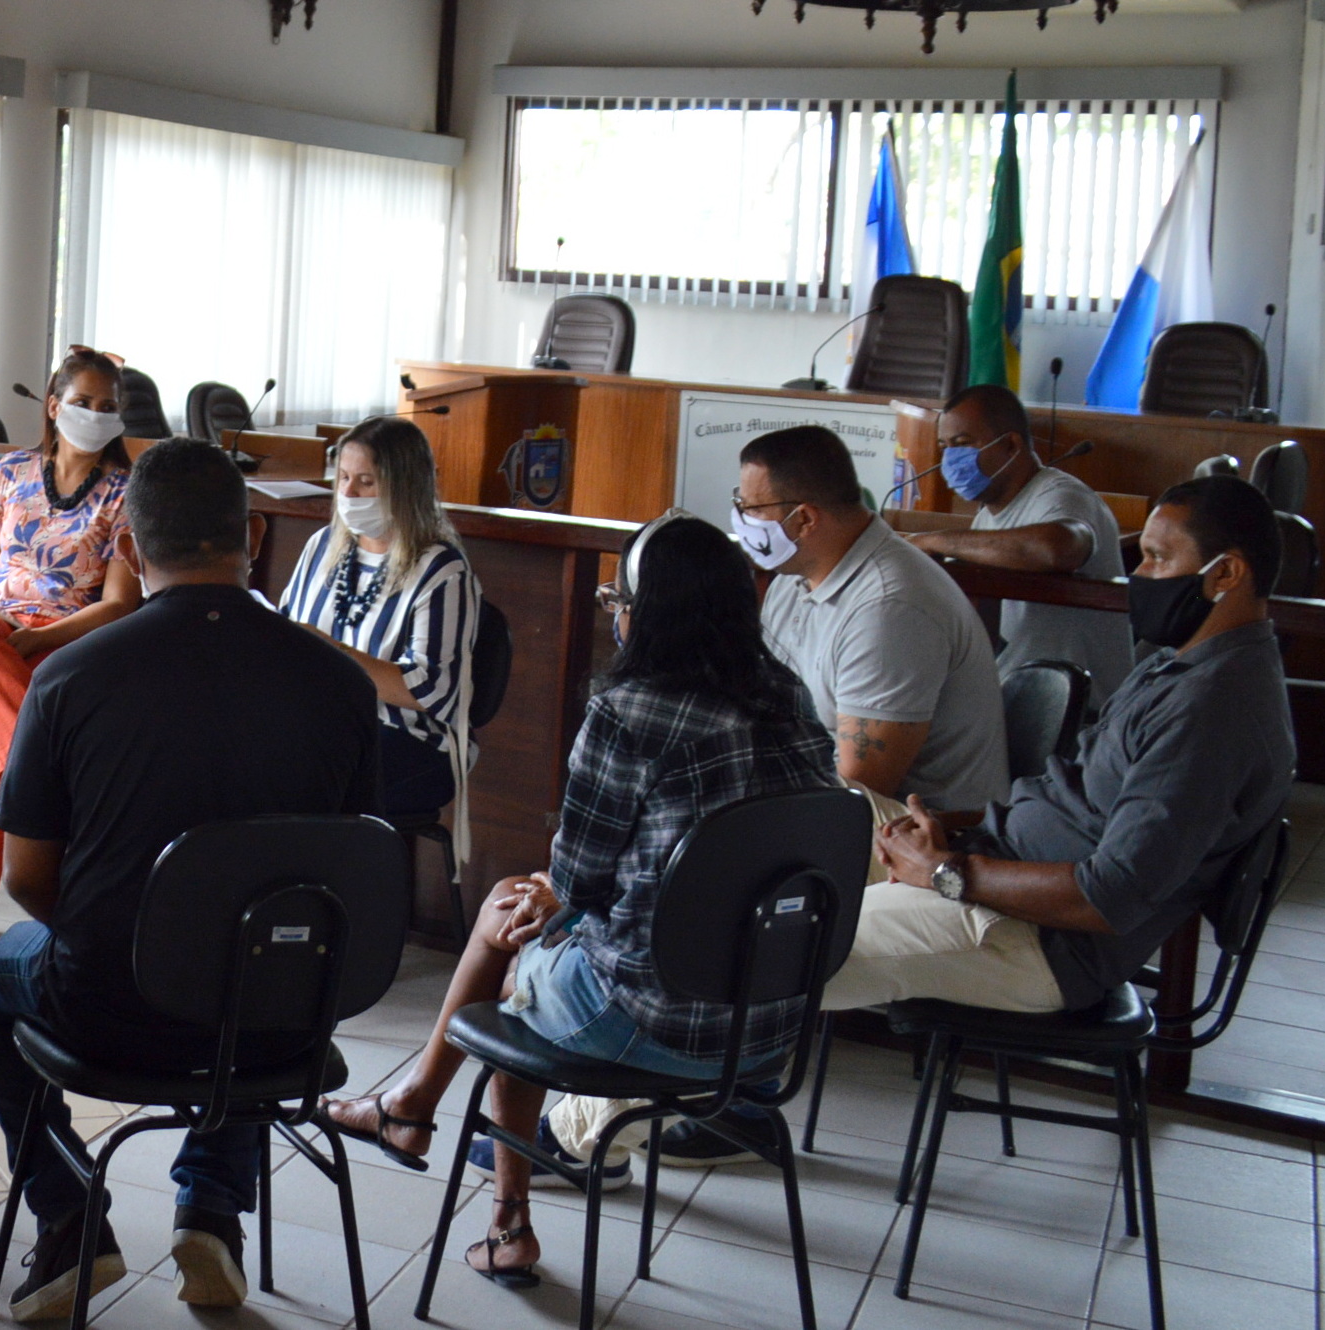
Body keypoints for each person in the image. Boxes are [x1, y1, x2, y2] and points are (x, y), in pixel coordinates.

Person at [324, 514, 834, 1289]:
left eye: (615, 599)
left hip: (650, 1021)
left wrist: (549, 897)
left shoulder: (629, 713)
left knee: (513, 942)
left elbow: (580, 878)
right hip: (768, 1022)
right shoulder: (787, 698)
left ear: (643, 612)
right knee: (517, 919)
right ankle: (412, 1109)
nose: (614, 613)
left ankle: (492, 1202)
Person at [0, 439, 377, 1319]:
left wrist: (114, 929)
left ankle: (69, 1211)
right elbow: (341, 865)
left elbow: (26, 878)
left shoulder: (70, 676)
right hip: (281, 1028)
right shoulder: (339, 683)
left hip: (107, 1009)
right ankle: (213, 1208)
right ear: (253, 534)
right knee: (255, 955)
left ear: (128, 549)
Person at [824, 475, 1293, 1019]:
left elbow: (1112, 894)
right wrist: (939, 831)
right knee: (804, 814)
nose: (1138, 577)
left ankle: (740, 1090)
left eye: (1157, 559)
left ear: (1227, 574)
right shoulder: (1179, 665)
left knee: (782, 946)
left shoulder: (1214, 708)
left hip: (1039, 942)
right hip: (990, 869)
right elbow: (1068, 797)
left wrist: (944, 871)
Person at [0, 347, 141, 959]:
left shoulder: (124, 494)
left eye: (108, 407)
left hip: (70, 648)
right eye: (83, 403)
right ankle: (40, 769)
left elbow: (120, 605)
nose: (95, 415)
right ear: (54, 407)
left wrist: (43, 638)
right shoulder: (13, 473)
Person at [737, 424, 1010, 817]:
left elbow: (856, 792)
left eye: (752, 509)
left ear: (805, 520)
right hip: (821, 805)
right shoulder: (793, 576)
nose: (742, 520)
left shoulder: (891, 609)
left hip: (923, 837)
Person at [280, 414, 480, 819]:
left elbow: (430, 690)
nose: (349, 493)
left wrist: (331, 652)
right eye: (343, 479)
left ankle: (331, 881)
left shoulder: (441, 570)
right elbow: (285, 628)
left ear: (404, 488)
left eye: (366, 482)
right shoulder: (322, 546)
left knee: (301, 779)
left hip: (408, 739)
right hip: (322, 725)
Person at [905, 383, 1134, 709]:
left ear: (1011, 445)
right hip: (1019, 704)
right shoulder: (988, 516)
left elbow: (1056, 549)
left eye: (962, 444)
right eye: (944, 447)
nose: (950, 459)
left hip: (1079, 719)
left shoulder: (1062, 496)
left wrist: (937, 540)